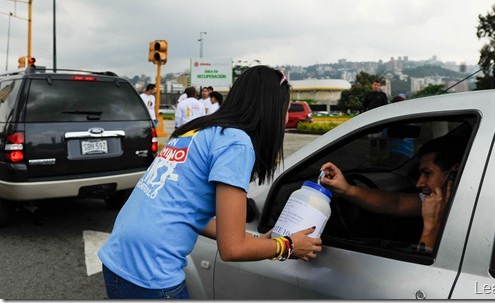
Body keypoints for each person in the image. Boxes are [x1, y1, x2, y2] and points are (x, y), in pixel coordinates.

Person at [98, 66, 322, 299]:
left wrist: (257, 240)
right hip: (151, 269)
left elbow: (186, 210)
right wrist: (287, 247)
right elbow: (232, 249)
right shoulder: (236, 143)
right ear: (271, 109)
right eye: (285, 109)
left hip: (119, 257)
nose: (285, 118)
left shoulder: (197, 130)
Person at [319, 134, 465, 253]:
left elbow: (424, 269)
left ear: (454, 172)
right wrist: (347, 189)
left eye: (427, 173)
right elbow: (396, 203)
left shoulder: (472, 208)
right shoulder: (438, 199)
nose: (419, 183)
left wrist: (432, 225)